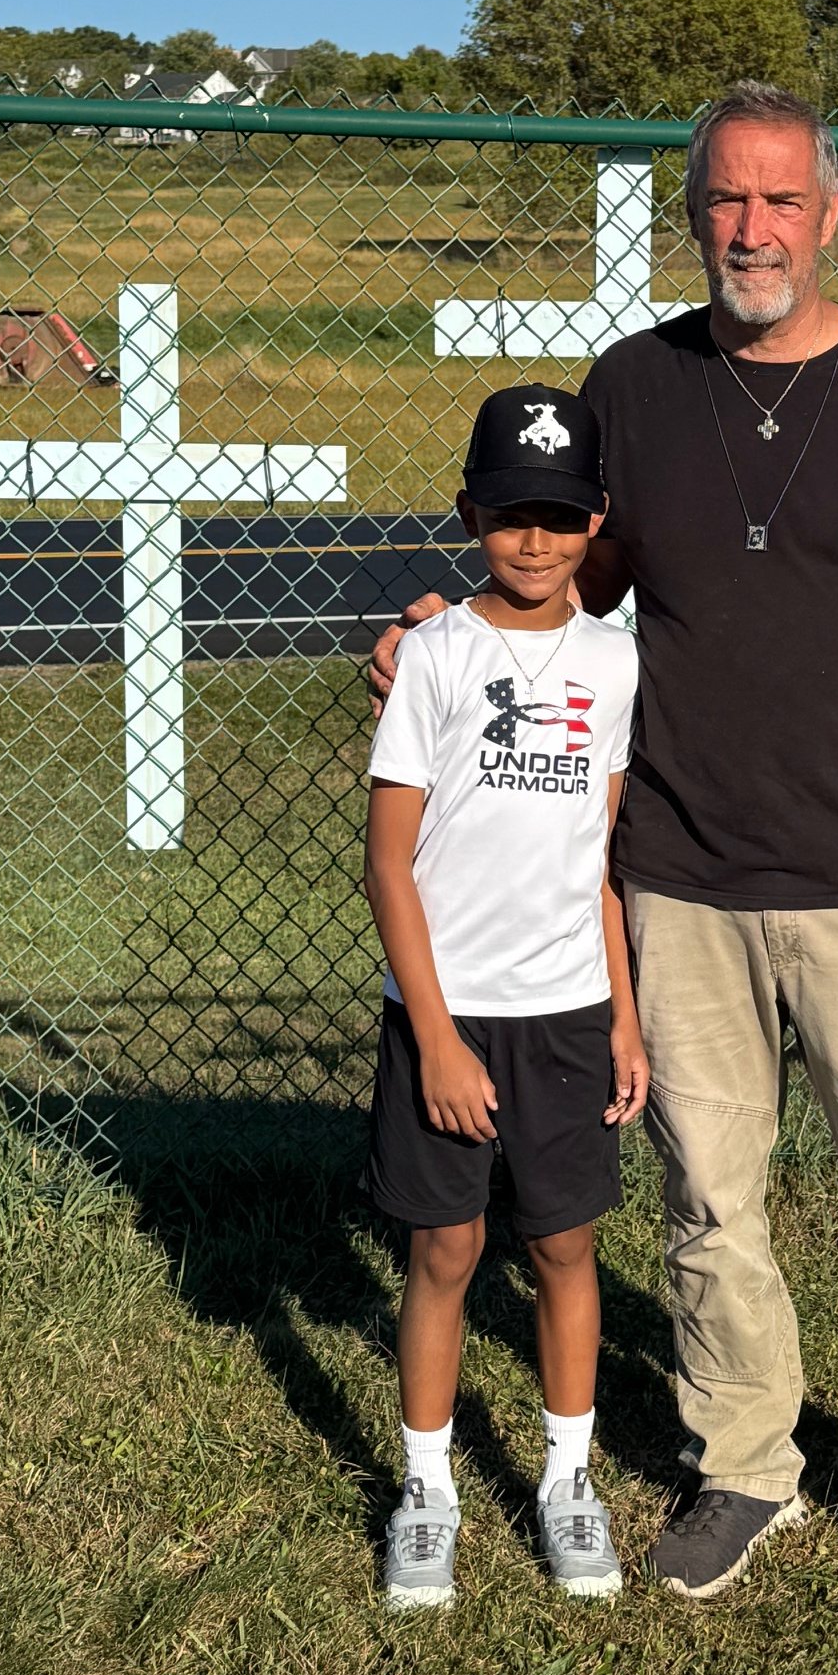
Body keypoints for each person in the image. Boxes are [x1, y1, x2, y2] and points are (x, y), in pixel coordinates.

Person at [374, 85, 838, 1663]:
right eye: (724, 206)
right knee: (705, 1205)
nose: (751, 231)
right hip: (675, 882)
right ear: (696, 218)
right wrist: (442, 637)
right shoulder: (639, 385)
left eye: (779, 203)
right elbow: (568, 579)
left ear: (830, 217)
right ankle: (745, 1465)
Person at [362, 381, 647, 1611]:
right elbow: (388, 859)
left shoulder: (615, 664)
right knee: (445, 1248)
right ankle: (427, 1489)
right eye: (511, 514)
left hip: (569, 1014)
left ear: (596, 520)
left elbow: (600, 858)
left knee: (565, 1246)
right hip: (450, 1015)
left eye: (562, 516)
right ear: (470, 509)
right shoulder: (432, 656)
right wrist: (433, 1036)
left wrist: (623, 1011)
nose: (535, 542)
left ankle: (566, 1481)